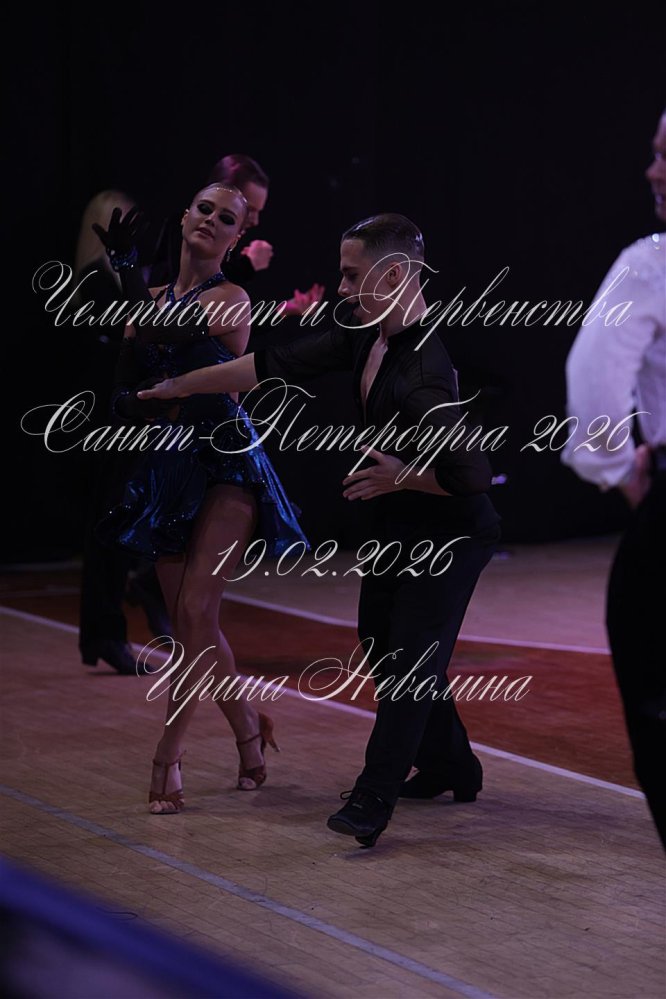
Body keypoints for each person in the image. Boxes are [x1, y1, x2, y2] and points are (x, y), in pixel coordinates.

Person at [139, 213, 501, 846]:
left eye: (352, 275)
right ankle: (452, 765)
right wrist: (175, 386)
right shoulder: (364, 334)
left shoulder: (424, 372)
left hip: (452, 532)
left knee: (410, 662)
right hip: (399, 521)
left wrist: (402, 475)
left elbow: (473, 473)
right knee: (380, 644)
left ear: (395, 275)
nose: (341, 287)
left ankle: (372, 799)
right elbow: (269, 364)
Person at [92, 184, 309, 813]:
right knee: (198, 625)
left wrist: (127, 276)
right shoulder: (150, 297)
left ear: (239, 237)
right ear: (186, 216)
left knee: (192, 613)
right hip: (167, 469)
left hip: (225, 463)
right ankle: (249, 730)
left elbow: (163, 337)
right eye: (205, 209)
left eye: (227, 218)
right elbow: (124, 386)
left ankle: (168, 754)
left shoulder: (230, 299)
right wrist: (132, 400)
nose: (212, 220)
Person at [562, 109, 666, 849]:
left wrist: (618, 469)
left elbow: (593, 375)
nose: (652, 170)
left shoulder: (652, 262)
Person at [75, 190, 171, 675]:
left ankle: (108, 629)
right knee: (110, 526)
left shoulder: (120, 278)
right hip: (109, 420)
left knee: (120, 523)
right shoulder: (95, 281)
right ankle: (106, 632)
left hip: (123, 417)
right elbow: (134, 335)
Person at [150, 152, 324, 316]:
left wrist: (285, 309)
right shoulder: (187, 235)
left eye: (226, 218)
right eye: (250, 209)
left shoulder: (228, 261)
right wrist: (247, 266)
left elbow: (232, 319)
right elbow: (191, 306)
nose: (255, 221)